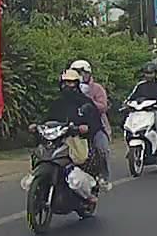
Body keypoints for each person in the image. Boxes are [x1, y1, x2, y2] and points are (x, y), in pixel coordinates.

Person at [44, 68, 104, 196]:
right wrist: (37, 125)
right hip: (58, 139)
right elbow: (47, 119)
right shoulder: (57, 103)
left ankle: (90, 189)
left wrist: (86, 128)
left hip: (78, 139)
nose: (68, 86)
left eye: (71, 82)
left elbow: (95, 123)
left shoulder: (85, 103)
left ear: (77, 84)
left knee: (84, 157)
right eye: (66, 82)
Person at [70, 59, 110, 187]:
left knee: (102, 148)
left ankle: (103, 176)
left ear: (88, 73)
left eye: (82, 72)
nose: (80, 75)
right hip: (75, 125)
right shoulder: (70, 90)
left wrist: (89, 101)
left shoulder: (97, 88)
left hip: (96, 125)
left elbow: (103, 106)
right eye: (76, 72)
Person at [125, 62, 157, 156]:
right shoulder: (140, 85)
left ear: (155, 73)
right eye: (146, 73)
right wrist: (127, 103)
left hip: (156, 110)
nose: (148, 75)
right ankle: (129, 146)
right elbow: (131, 96)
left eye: (150, 73)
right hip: (140, 110)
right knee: (127, 120)